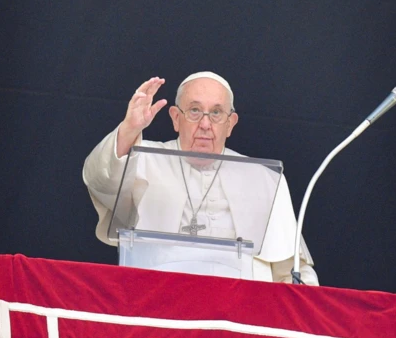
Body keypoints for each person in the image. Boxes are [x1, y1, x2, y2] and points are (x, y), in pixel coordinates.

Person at [83, 72, 319, 285]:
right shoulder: (142, 158)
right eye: (194, 111)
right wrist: (128, 130)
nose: (205, 124)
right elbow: (100, 179)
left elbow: (293, 269)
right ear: (176, 118)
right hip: (159, 301)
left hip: (243, 313)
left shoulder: (265, 179)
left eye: (216, 113)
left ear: (230, 124)